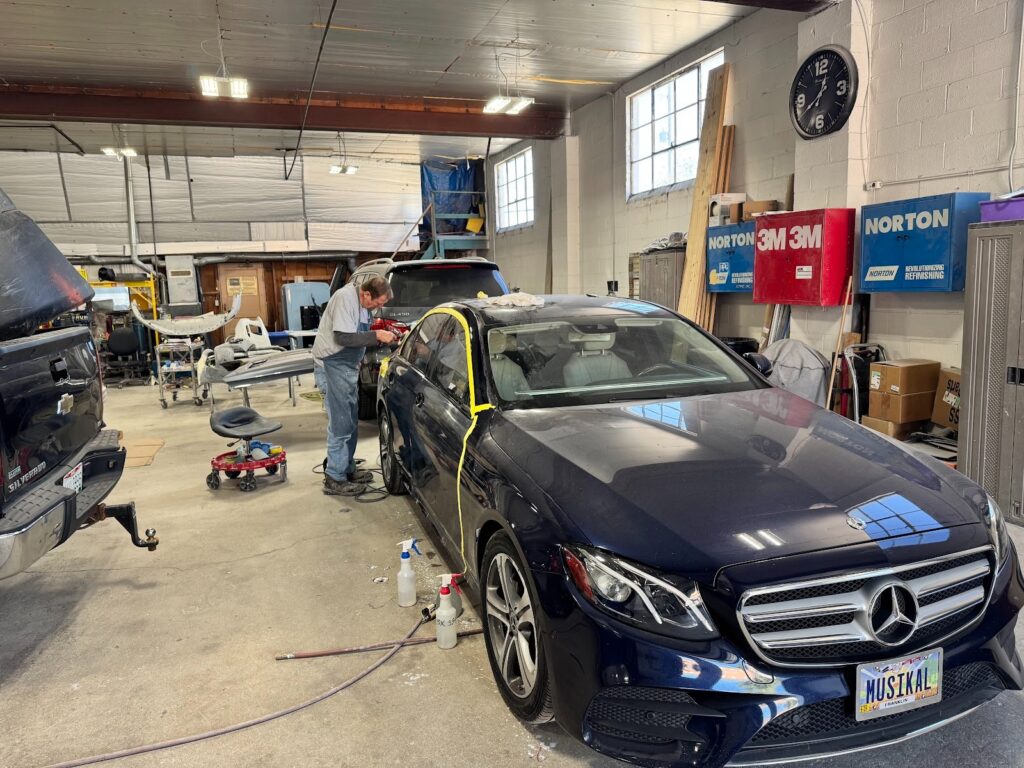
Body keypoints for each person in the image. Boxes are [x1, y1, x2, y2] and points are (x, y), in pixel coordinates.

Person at [312, 276, 398, 495]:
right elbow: (343, 338)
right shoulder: (344, 299)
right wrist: (376, 334)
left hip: (346, 367)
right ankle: (335, 477)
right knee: (341, 424)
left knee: (350, 420)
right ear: (366, 294)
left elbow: (357, 336)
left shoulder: (362, 304)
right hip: (332, 365)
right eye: (377, 303)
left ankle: (346, 468)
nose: (378, 308)